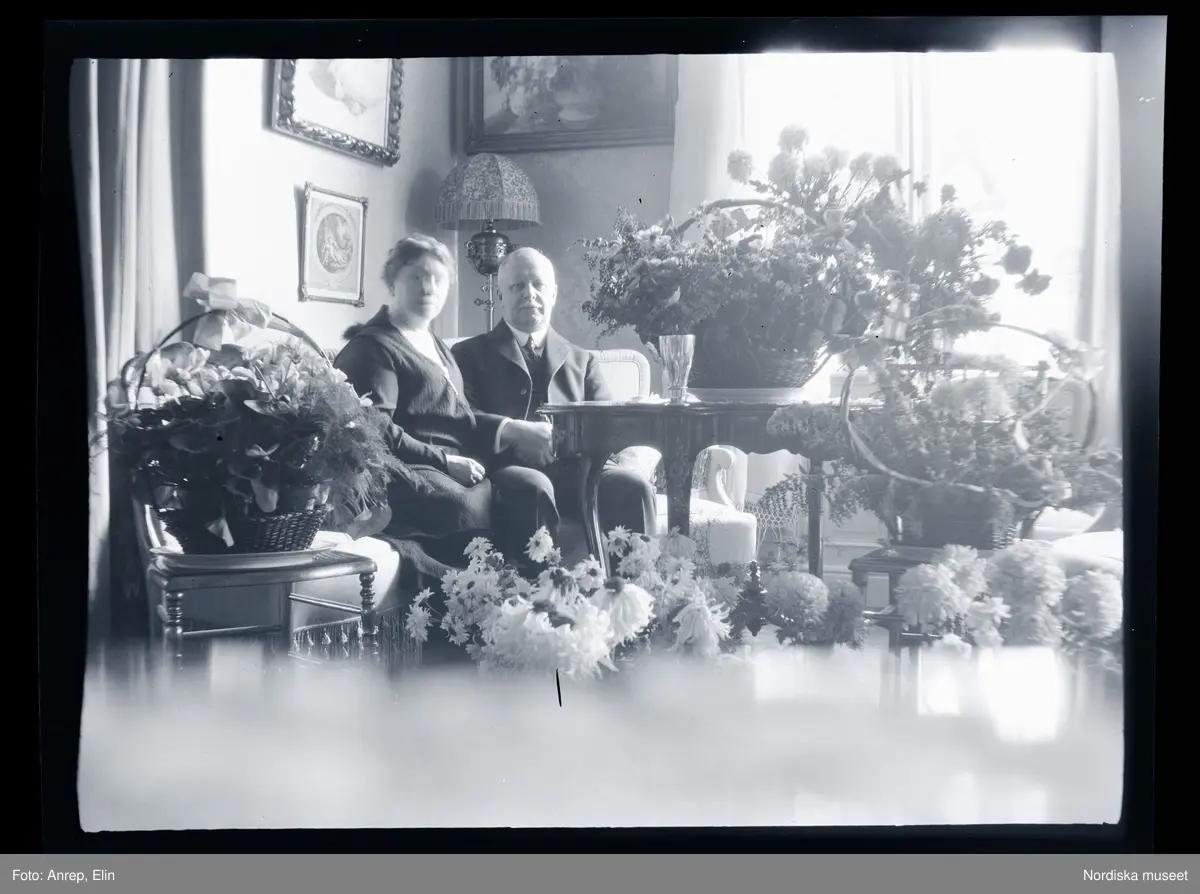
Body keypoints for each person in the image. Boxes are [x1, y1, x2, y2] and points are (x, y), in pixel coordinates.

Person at [334, 235, 559, 572]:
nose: (428, 288)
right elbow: (375, 431)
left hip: (459, 468)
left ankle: (534, 591)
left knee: (524, 489)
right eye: (416, 277)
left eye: (438, 279)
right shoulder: (374, 346)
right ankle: (471, 592)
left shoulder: (436, 346)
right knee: (462, 505)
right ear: (392, 283)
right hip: (407, 470)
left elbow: (461, 419)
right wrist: (445, 462)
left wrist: (513, 433)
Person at [451, 247, 658, 542]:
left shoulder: (582, 360)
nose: (529, 293)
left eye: (538, 284)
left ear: (553, 294)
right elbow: (461, 418)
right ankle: (537, 575)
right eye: (517, 286)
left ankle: (635, 572)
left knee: (632, 486)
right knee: (533, 486)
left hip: (579, 472)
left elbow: (608, 425)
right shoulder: (467, 354)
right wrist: (513, 432)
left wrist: (565, 441)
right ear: (500, 296)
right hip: (508, 473)